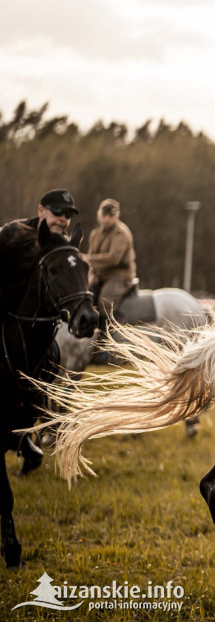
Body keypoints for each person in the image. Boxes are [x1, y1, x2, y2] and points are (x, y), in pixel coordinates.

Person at [0, 189, 81, 473]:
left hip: (34, 324)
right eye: (57, 212)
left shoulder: (60, 244)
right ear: (40, 211)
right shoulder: (13, 233)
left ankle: (24, 435)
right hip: (4, 311)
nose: (63, 219)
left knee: (52, 353)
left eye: (68, 215)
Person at [83, 198, 136, 327]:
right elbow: (92, 259)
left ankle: (107, 334)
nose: (107, 219)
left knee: (106, 301)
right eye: (104, 215)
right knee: (83, 297)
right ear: (98, 214)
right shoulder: (95, 234)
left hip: (119, 276)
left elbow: (114, 258)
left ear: (116, 216)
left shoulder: (121, 233)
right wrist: (92, 274)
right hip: (101, 275)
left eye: (110, 216)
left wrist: (88, 258)